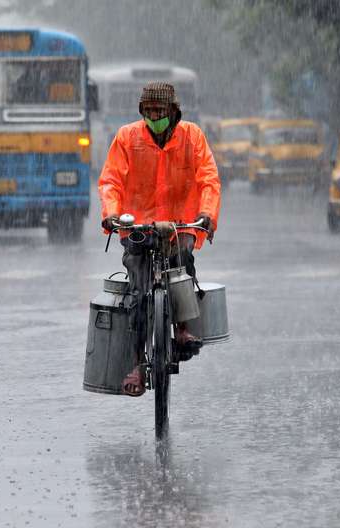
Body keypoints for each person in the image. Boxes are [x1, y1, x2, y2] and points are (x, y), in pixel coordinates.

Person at [98, 82, 221, 396]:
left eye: (160, 111)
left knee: (183, 263)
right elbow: (111, 180)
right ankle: (138, 363)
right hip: (137, 225)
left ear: (173, 112)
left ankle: (182, 328)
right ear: (142, 111)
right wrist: (111, 213)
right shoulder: (127, 138)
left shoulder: (192, 137)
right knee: (138, 296)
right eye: (149, 111)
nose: (155, 117)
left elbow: (208, 178)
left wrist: (207, 214)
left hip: (181, 224)